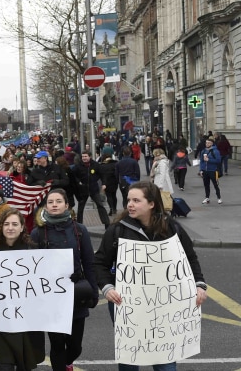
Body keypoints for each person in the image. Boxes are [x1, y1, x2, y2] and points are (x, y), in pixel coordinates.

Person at [94, 181, 208, 371]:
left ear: (152, 203)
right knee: (130, 357)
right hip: (127, 302)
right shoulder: (117, 230)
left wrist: (199, 284)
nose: (130, 204)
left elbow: (189, 258)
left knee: (165, 359)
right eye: (129, 200)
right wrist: (107, 288)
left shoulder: (172, 228)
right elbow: (99, 263)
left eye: (136, 200)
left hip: (165, 304)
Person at [32, 189, 98, 371]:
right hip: (51, 297)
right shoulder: (38, 233)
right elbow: (29, 267)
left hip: (76, 295)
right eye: (50, 202)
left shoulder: (80, 230)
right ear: (45, 206)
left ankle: (67, 362)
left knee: (75, 346)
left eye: (58, 201)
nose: (54, 204)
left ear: (67, 205)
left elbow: (89, 262)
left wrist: (94, 291)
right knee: (57, 344)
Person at [0, 208, 45, 371]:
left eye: (14, 224)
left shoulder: (32, 251)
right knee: (5, 365)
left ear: (21, 228)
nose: (10, 227)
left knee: (25, 365)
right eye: (6, 224)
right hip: (1, 319)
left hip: (27, 319)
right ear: (1, 227)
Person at [199, 137, 222, 204]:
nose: (207, 144)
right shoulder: (203, 151)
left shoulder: (215, 151)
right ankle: (207, 198)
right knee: (206, 185)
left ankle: (219, 198)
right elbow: (201, 161)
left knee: (215, 184)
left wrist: (209, 160)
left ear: (212, 143)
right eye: (206, 142)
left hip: (213, 170)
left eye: (208, 143)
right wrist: (201, 170)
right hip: (205, 170)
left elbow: (218, 161)